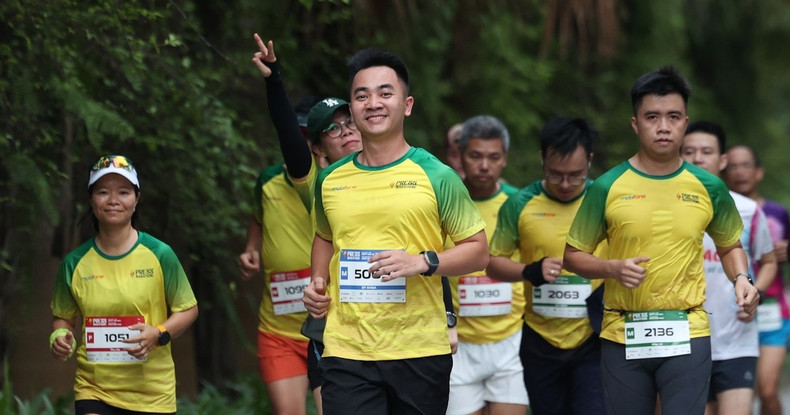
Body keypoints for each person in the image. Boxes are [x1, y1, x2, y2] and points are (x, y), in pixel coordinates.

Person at [563, 66, 759, 415]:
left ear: (685, 121)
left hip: (688, 329)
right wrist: (610, 267)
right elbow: (573, 256)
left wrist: (742, 279)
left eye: (673, 116)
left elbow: (730, 246)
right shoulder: (608, 186)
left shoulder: (709, 186)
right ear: (636, 123)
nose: (664, 126)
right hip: (623, 332)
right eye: (652, 116)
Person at [302, 47, 488, 414]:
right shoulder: (330, 180)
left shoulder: (436, 175)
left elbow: (478, 251)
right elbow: (324, 236)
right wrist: (317, 283)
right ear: (352, 110)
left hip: (418, 350)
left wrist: (422, 262)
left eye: (385, 93)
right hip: (346, 349)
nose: (373, 103)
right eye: (362, 95)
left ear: (407, 105)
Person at [246, 34, 364, 415]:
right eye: (333, 129)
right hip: (327, 325)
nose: (345, 130)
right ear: (316, 148)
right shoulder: (319, 183)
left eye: (350, 123)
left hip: (385, 325)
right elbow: (287, 135)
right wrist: (274, 79)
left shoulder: (409, 171)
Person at [50, 155, 199, 415]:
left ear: (136, 199)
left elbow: (188, 309)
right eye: (103, 192)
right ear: (91, 199)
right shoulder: (74, 263)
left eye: (123, 192)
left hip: (152, 394)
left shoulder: (160, 254)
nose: (113, 200)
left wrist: (159, 332)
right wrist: (59, 336)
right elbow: (63, 318)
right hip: (94, 389)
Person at [488, 117, 604, 415]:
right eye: (555, 175)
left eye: (575, 175)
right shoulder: (520, 204)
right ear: (542, 160)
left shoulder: (605, 199)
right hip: (540, 338)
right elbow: (493, 264)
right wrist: (530, 271)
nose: (565, 184)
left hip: (593, 335)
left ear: (590, 161)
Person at [681, 122, 777, 415]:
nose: (698, 158)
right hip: (683, 341)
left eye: (706, 151)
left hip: (736, 341)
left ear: (722, 160)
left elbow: (769, 260)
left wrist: (754, 291)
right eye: (689, 151)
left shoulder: (747, 209)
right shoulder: (664, 208)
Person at [445, 115, 527, 415]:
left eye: (493, 157)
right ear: (460, 155)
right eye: (475, 156)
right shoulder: (444, 202)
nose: (484, 166)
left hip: (510, 341)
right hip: (459, 343)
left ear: (504, 159)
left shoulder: (520, 203)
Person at [723, 144, 790, 415]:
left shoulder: (777, 212)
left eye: (746, 165)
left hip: (773, 310)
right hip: (733, 311)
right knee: (741, 394)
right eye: (734, 166)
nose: (740, 172)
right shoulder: (717, 212)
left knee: (767, 389)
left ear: (759, 172)